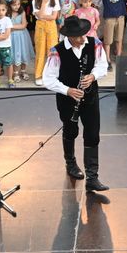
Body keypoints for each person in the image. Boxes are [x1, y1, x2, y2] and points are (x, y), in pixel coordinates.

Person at [41, 15, 109, 192]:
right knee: (70, 130)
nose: (82, 38)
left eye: (83, 34)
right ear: (69, 36)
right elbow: (48, 79)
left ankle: (92, 177)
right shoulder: (57, 51)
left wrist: (93, 76)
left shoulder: (94, 43)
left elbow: (102, 65)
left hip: (90, 97)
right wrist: (67, 90)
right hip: (67, 100)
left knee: (92, 133)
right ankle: (70, 164)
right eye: (78, 36)